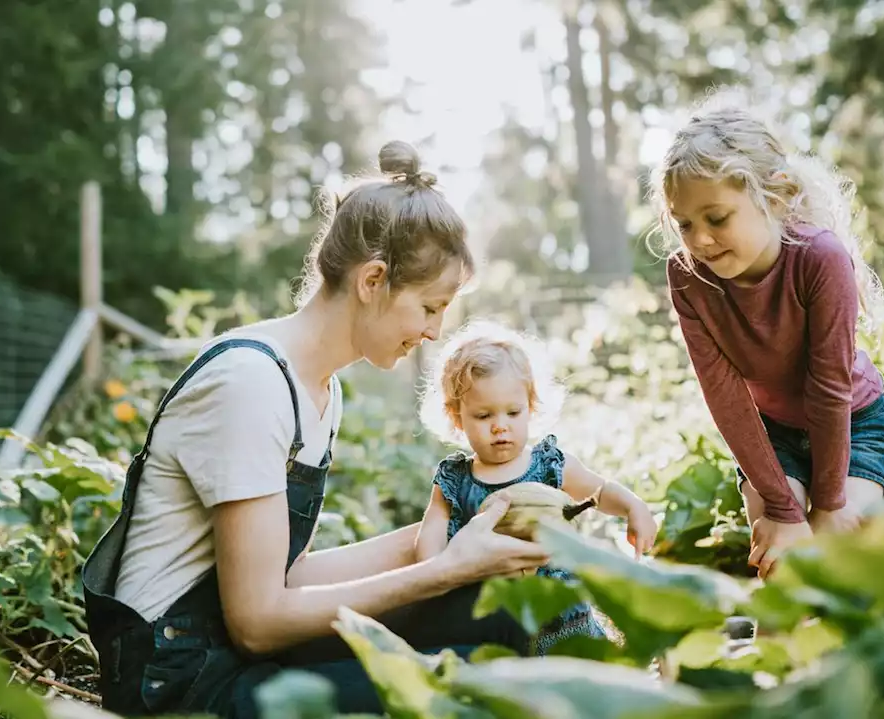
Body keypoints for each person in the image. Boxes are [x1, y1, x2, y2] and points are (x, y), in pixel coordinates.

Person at [80, 140, 552, 718]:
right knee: (470, 683)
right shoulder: (250, 382)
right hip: (180, 683)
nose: (434, 333)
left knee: (499, 611)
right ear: (373, 280)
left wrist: (453, 531)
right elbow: (257, 621)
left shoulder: (318, 388)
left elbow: (286, 574)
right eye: (430, 307)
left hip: (233, 650)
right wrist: (443, 570)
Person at [651, 88, 884, 580]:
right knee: (782, 564)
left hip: (852, 421)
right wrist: (782, 511)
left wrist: (827, 505)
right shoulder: (688, 277)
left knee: (831, 561)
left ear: (776, 196)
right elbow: (725, 398)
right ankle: (771, 657)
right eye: (684, 225)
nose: (699, 239)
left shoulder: (819, 259)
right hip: (771, 435)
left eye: (716, 218)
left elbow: (829, 389)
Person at [413, 319, 658, 654]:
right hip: (497, 618)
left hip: (563, 617)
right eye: (484, 417)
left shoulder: (548, 466)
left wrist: (633, 506)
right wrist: (436, 576)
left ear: (531, 407)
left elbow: (598, 491)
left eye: (513, 412)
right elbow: (430, 538)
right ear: (457, 418)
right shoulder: (455, 481)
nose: (500, 427)